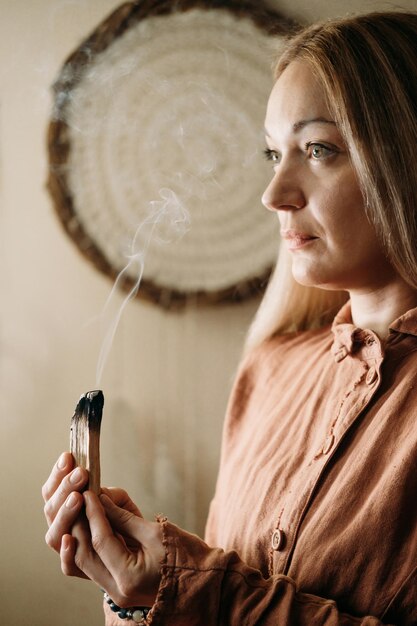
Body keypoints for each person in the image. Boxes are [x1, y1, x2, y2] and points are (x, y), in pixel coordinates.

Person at [43, 10, 417, 625]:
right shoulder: (269, 369)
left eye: (318, 149)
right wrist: (137, 594)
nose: (274, 194)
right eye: (274, 153)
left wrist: (200, 594)